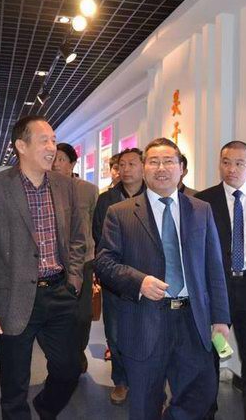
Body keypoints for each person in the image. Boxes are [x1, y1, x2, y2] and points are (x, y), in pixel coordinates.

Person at [94, 137, 231, 420]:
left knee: (200, 395)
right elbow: (104, 263)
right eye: (154, 162)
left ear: (181, 168)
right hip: (145, 320)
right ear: (144, 169)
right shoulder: (120, 213)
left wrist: (220, 318)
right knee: (145, 403)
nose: (161, 168)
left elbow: (214, 268)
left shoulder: (201, 210)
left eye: (169, 161)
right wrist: (139, 282)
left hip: (192, 320)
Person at [0, 115, 86, 419]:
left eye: (53, 140)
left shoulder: (65, 186)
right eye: (44, 141)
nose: (52, 147)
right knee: (14, 384)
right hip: (14, 297)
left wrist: (74, 279)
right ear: (21, 146)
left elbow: (78, 238)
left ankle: (46, 407)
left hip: (59, 292)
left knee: (69, 370)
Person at [195, 141, 246, 420]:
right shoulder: (203, 201)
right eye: (226, 162)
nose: (231, 169)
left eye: (239, 163)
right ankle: (206, 413)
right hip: (216, 289)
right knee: (208, 356)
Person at [92, 147, 146, 405]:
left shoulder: (153, 195)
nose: (126, 169)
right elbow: (98, 235)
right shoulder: (106, 199)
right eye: (122, 164)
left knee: (146, 332)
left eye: (132, 164)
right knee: (114, 332)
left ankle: (146, 382)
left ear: (143, 166)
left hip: (146, 277)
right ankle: (121, 381)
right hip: (114, 277)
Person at [53, 142, 99, 374]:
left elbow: (95, 224)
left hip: (84, 260)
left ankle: (78, 351)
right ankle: (60, 358)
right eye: (53, 159)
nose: (56, 164)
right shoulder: (44, 188)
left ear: (72, 164)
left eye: (61, 159)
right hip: (54, 263)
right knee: (57, 314)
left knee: (83, 314)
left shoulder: (88, 190)